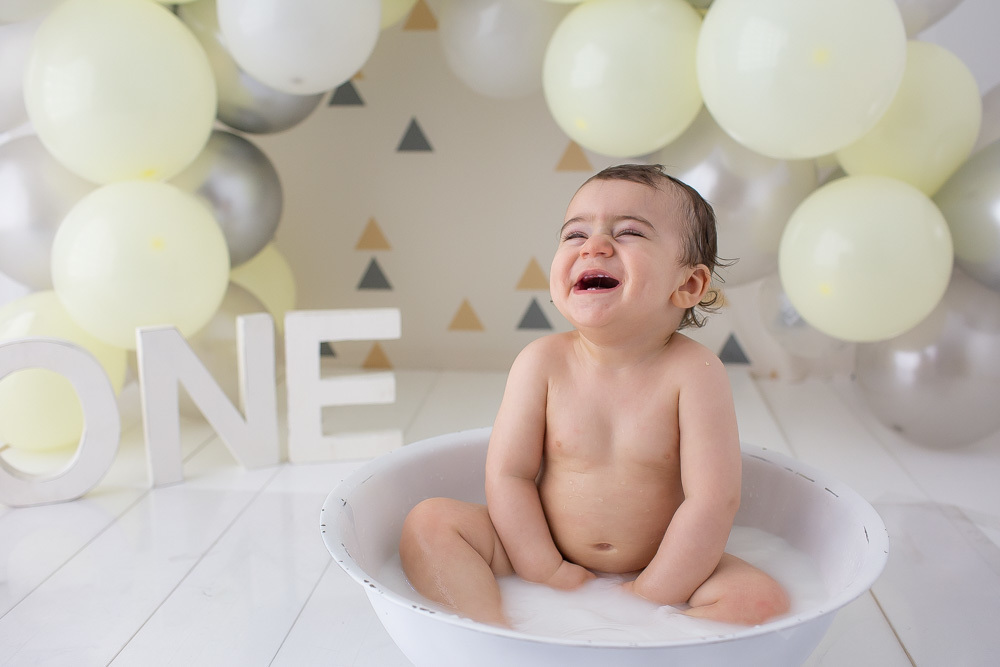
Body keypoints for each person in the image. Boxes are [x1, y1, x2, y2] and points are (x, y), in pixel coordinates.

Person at [399, 164, 789, 628]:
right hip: (537, 547)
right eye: (574, 234)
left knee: (761, 601)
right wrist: (541, 566)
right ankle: (494, 634)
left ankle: (656, 649)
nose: (594, 246)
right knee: (429, 524)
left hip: (667, 563)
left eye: (629, 233)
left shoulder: (696, 373)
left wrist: (654, 593)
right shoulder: (541, 363)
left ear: (687, 285)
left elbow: (713, 501)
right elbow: (509, 475)